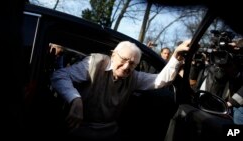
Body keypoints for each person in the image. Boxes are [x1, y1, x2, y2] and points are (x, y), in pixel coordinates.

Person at [50, 40, 190, 140]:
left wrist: (176, 57)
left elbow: (160, 80)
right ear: (113, 55)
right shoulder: (94, 63)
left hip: (110, 132)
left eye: (132, 64)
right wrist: (75, 99)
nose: (126, 67)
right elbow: (59, 76)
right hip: (79, 129)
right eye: (124, 60)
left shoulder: (133, 77)